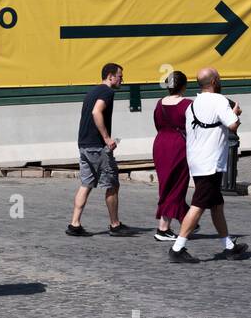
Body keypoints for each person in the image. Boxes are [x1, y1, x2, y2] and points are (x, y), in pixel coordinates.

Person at [169, 67, 249, 262]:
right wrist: (235, 113)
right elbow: (233, 125)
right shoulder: (219, 101)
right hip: (210, 162)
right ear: (214, 81)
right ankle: (177, 248)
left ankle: (228, 245)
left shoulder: (192, 105)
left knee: (216, 204)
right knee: (199, 204)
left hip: (197, 160)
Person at [67, 63, 136, 237]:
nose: (122, 79)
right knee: (112, 184)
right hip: (97, 147)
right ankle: (115, 225)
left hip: (84, 145)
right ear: (110, 76)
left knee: (86, 184)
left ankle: (74, 224)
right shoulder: (107, 92)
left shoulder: (92, 91)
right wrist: (106, 138)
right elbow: (96, 112)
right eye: (120, 76)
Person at [152, 70, 192, 241]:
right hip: (178, 145)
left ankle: (187, 218)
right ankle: (163, 228)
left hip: (160, 143)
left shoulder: (159, 103)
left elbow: (157, 123)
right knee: (177, 185)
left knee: (166, 184)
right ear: (183, 86)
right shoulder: (187, 104)